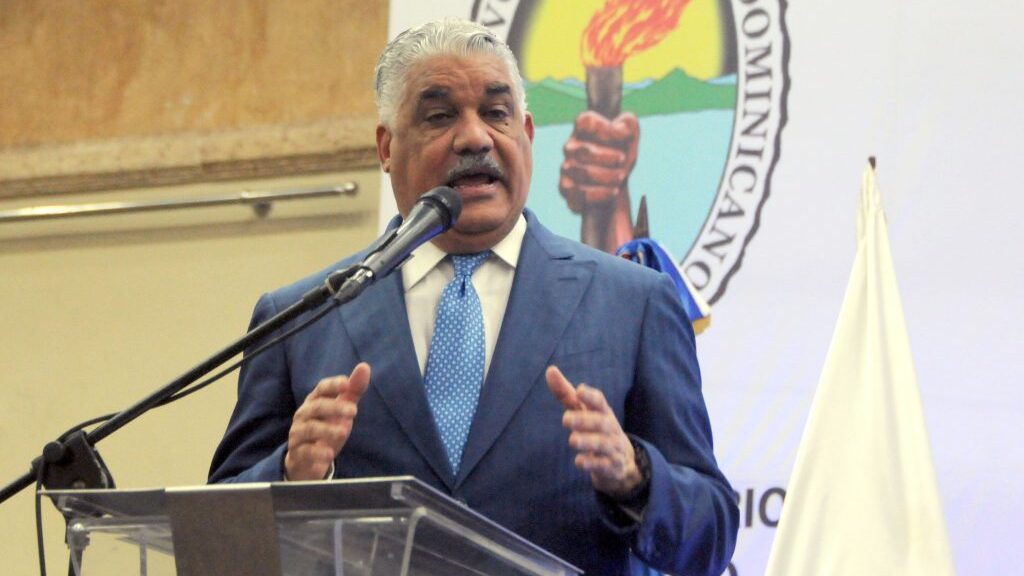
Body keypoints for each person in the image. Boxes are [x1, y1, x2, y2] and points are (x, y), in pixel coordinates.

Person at [209, 18, 738, 576]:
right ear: (386, 147)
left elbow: (713, 534)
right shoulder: (301, 319)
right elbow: (214, 539)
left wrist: (635, 476)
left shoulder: (634, 303)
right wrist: (290, 475)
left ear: (527, 133)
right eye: (439, 116)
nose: (474, 138)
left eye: (496, 113)